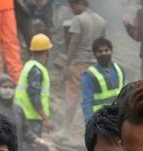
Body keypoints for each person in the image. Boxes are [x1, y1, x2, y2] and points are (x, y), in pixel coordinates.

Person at [64, 0, 106, 128]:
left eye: (73, 6)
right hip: (96, 64)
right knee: (93, 98)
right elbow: (103, 43)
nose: (72, 9)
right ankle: (96, 126)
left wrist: (67, 63)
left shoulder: (78, 19)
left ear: (80, 4)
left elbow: (74, 42)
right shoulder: (101, 20)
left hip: (79, 63)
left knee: (72, 96)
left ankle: (64, 129)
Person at [18, 34, 54, 140]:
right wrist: (45, 118)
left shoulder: (29, 65)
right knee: (31, 150)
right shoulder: (36, 70)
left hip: (24, 115)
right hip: (30, 118)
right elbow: (34, 96)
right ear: (47, 52)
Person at [80, 37, 124, 122]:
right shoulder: (90, 75)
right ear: (95, 54)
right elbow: (87, 102)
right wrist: (90, 124)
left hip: (118, 117)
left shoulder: (119, 70)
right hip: (101, 120)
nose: (104, 53)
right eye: (100, 52)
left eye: (106, 50)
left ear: (111, 51)